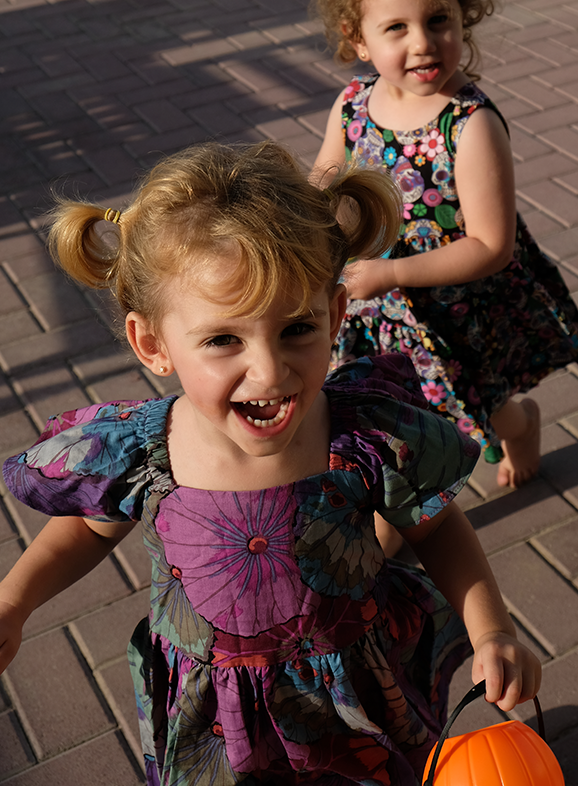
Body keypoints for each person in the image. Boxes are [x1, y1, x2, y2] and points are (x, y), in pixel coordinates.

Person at [0, 141, 540, 786]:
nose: (270, 371)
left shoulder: (361, 437)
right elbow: (87, 529)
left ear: (336, 316)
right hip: (219, 716)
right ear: (153, 343)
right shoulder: (144, 452)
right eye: (224, 338)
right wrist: (14, 602)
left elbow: (435, 525)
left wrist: (493, 628)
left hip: (358, 695)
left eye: (296, 329)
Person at [312, 0, 578, 500]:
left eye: (438, 19)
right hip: (377, 302)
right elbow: (323, 186)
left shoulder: (469, 123)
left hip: (452, 306)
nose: (422, 41)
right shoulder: (353, 102)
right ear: (358, 38)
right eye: (396, 27)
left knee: (468, 401)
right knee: (382, 405)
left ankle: (519, 423)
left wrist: (390, 272)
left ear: (464, 19)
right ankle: (393, 505)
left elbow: (491, 245)